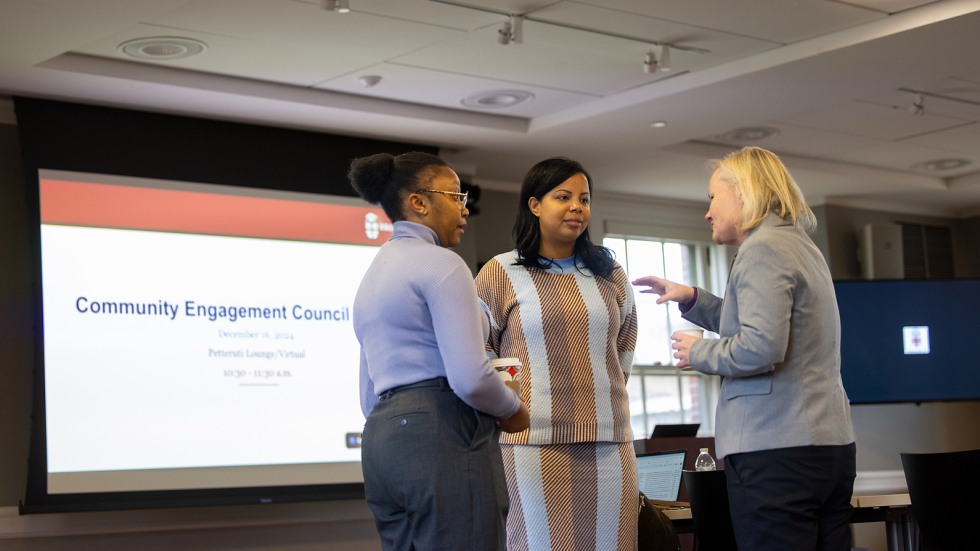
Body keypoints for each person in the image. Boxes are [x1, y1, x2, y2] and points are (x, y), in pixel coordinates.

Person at [632, 146, 856, 551]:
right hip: (828, 448)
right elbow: (766, 324)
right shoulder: (802, 246)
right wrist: (693, 299)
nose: (708, 211)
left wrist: (698, 352)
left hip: (777, 453)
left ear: (743, 192)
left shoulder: (762, 249)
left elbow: (760, 346)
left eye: (712, 197)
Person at [349, 151, 530, 551]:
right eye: (455, 196)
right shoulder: (441, 264)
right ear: (419, 202)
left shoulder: (372, 276)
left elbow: (368, 397)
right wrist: (511, 409)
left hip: (382, 442)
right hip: (442, 432)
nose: (464, 209)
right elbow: (470, 377)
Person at [475, 157, 639, 551]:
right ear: (534, 205)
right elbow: (482, 349)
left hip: (610, 443)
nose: (576, 207)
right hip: (531, 445)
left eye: (584, 199)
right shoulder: (500, 272)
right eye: (562, 197)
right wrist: (510, 408)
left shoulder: (609, 272)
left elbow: (624, 345)